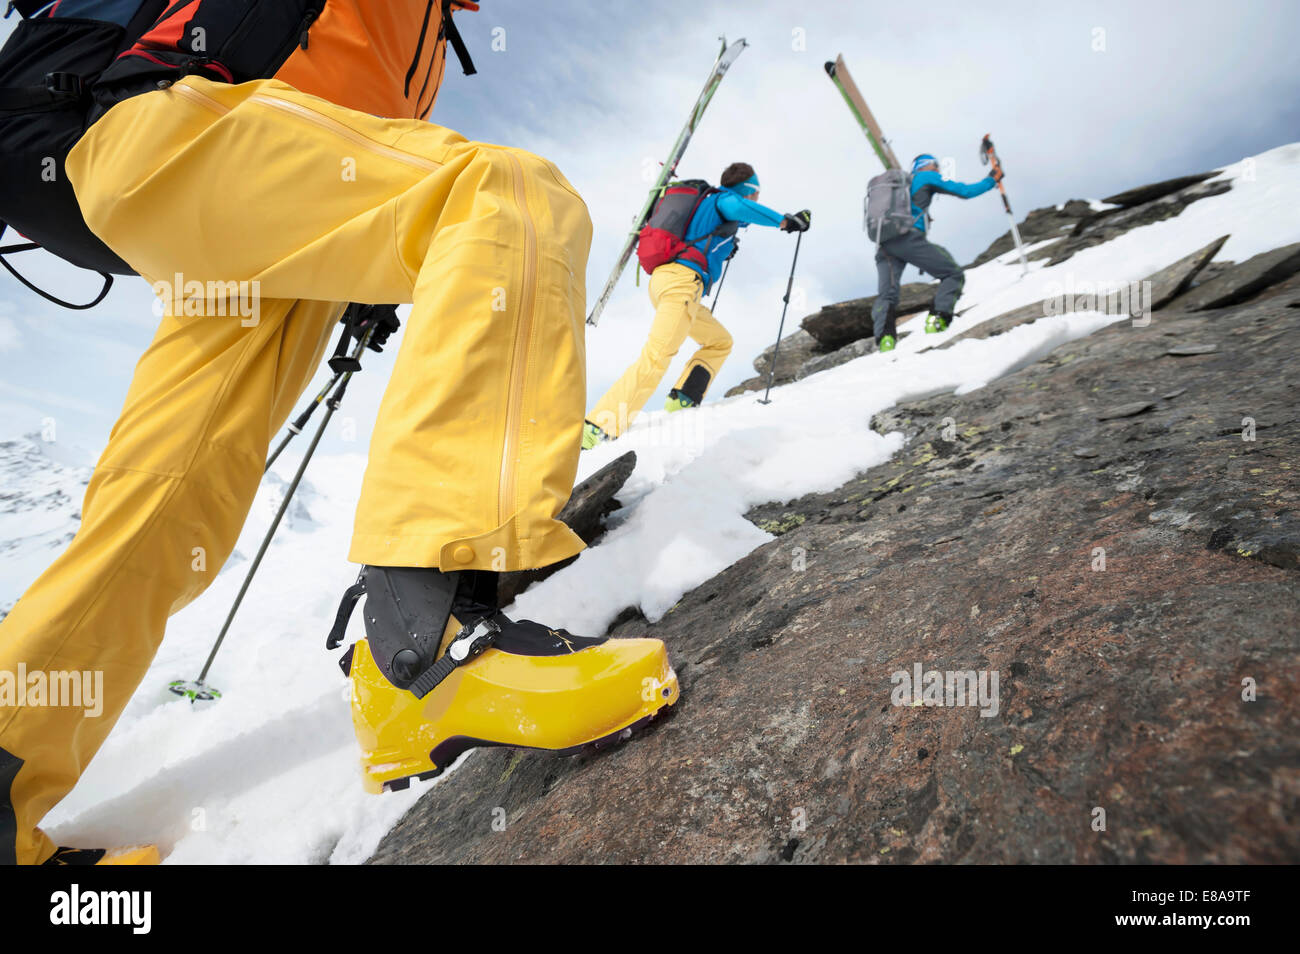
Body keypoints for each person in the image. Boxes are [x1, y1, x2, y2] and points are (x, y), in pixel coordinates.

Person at [0, 0, 677, 866]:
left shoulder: (426, 34)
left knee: (172, 501)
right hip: (155, 125)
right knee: (506, 196)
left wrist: (354, 265)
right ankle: (425, 650)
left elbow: (331, 133)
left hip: (216, 195)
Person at [583, 163, 810, 447]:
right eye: (756, 194)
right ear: (748, 191)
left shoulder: (706, 205)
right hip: (683, 284)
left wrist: (724, 245)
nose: (756, 199)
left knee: (719, 341)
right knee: (657, 356)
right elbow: (746, 209)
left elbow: (708, 233)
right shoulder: (725, 199)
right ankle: (598, 426)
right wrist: (787, 222)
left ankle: (683, 398)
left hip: (668, 282)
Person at [871, 153, 998, 351]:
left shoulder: (900, 188)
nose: (938, 169)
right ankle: (938, 319)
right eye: (936, 165)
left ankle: (885, 339)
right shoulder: (925, 177)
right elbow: (964, 191)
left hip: (884, 243)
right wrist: (991, 180)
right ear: (926, 165)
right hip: (908, 239)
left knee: (887, 294)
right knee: (952, 273)